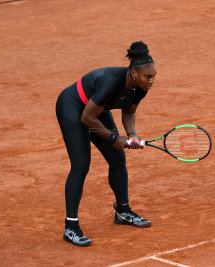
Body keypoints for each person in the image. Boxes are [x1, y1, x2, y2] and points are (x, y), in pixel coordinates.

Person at [55, 41, 157, 247]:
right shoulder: (110, 81)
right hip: (74, 109)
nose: (152, 80)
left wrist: (132, 134)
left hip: (96, 111)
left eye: (154, 76)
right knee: (81, 165)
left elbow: (128, 111)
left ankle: (123, 211)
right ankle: (70, 227)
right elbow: (87, 118)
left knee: (117, 159)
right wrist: (112, 138)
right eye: (148, 76)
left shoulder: (141, 87)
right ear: (134, 72)